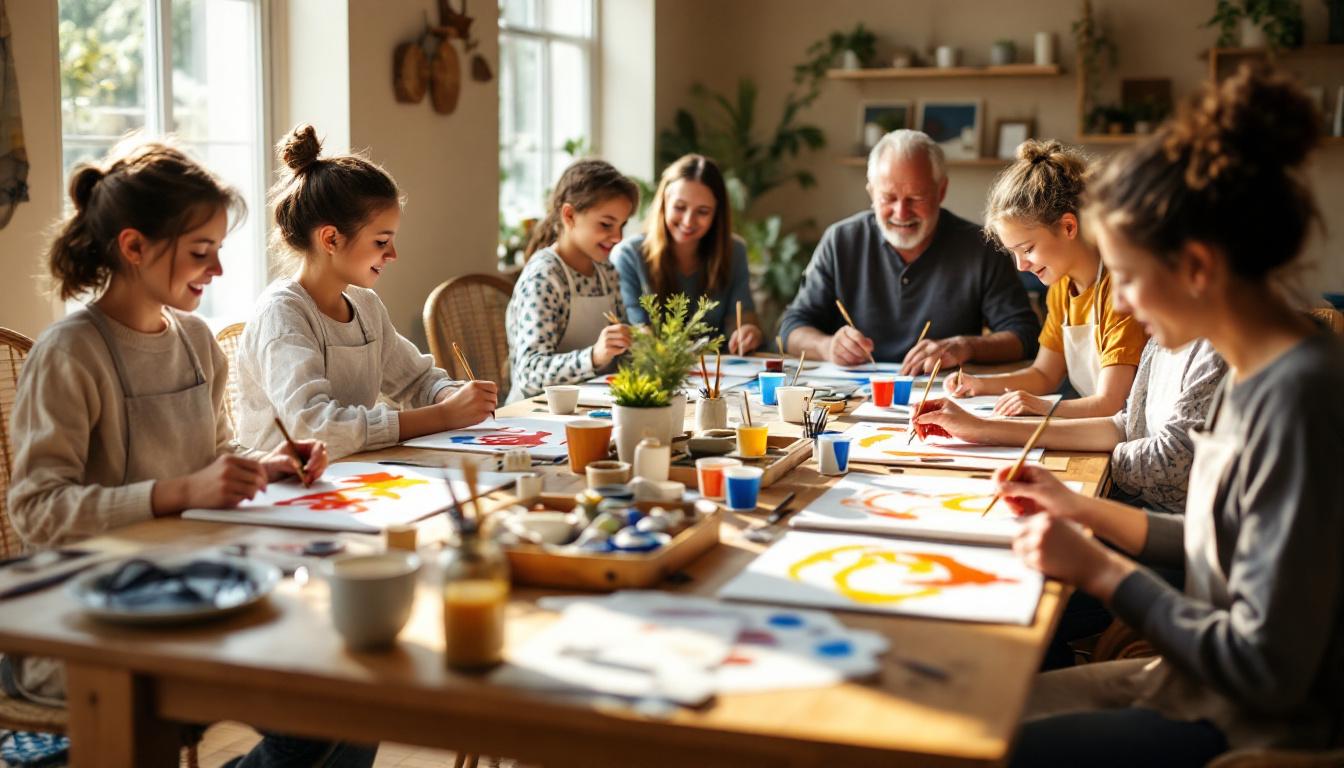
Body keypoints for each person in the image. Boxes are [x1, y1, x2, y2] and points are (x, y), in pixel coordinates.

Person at [1001, 67, 1344, 766]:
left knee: (978, 741)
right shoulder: (1250, 372)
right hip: (1192, 681)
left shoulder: (1300, 399)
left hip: (1252, 727)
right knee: (976, 705)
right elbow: (1219, 542)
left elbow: (1265, 668)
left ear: (1194, 266)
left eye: (1126, 275)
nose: (1119, 304)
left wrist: (1098, 569)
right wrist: (1080, 508)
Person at [4, 136, 374, 767]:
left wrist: (264, 469)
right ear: (133, 247)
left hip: (193, 591)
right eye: (201, 252)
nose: (219, 271)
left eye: (219, 251)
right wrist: (177, 493)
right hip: (87, 623)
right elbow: (37, 511)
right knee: (325, 706)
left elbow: (214, 458)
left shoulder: (199, 341)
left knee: (350, 690)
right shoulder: (71, 353)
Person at [236, 125, 496, 459]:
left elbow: (416, 380)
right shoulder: (282, 314)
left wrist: (449, 396)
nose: (393, 255)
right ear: (330, 239)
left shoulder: (364, 305)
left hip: (352, 476)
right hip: (287, 491)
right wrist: (443, 416)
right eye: (380, 242)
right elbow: (315, 428)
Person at [778, 129, 1040, 371]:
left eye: (916, 198)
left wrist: (965, 347)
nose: (901, 213)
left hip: (942, 396)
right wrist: (827, 347)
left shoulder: (982, 246)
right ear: (871, 193)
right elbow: (791, 328)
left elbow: (1025, 335)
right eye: (888, 198)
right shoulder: (840, 241)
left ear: (941, 191)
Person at [942, 140, 1148, 418]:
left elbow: (1110, 403)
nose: (1021, 265)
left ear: (1068, 226)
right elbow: (1044, 374)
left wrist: (1041, 406)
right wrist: (978, 385)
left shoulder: (1119, 290)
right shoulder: (1063, 286)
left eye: (1027, 249)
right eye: (1013, 253)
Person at [506, 158, 639, 402]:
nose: (618, 236)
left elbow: (625, 355)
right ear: (569, 215)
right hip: (536, 414)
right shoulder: (544, 277)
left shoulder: (606, 270)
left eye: (622, 225)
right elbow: (529, 373)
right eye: (606, 224)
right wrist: (594, 357)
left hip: (592, 409)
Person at [612, 154, 762, 353]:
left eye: (703, 212)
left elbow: (743, 319)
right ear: (664, 204)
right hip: (655, 372)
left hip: (719, 374)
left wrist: (749, 333)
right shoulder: (629, 255)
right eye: (680, 207)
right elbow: (638, 333)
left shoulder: (734, 251)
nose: (688, 221)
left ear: (717, 214)